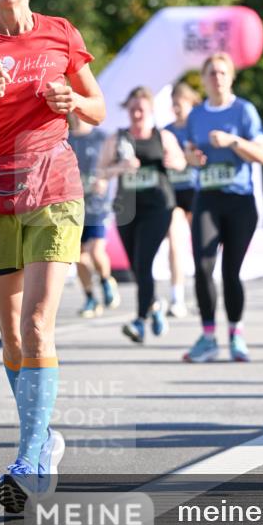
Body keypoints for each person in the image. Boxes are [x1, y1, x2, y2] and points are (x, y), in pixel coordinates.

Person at [0, 0, 105, 513]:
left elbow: (97, 106)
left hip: (53, 185)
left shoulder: (61, 33)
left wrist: (73, 105)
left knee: (36, 325)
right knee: (10, 335)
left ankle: (30, 458)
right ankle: (45, 440)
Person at [182, 52, 263, 362]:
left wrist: (234, 142)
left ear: (231, 77)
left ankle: (236, 336)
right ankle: (208, 337)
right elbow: (188, 156)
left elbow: (262, 155)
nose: (216, 78)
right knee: (203, 269)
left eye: (222, 72)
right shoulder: (195, 115)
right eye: (211, 73)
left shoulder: (244, 111)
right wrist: (193, 158)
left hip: (239, 201)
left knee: (231, 272)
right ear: (204, 79)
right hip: (207, 199)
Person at [99, 86, 186, 343]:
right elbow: (102, 171)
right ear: (127, 109)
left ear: (150, 110)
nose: (137, 113)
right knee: (137, 267)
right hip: (126, 208)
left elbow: (181, 162)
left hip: (158, 207)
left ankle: (139, 321)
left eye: (142, 109)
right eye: (133, 109)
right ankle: (154, 305)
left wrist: (174, 161)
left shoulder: (163, 137)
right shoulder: (117, 138)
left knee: (144, 261)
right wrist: (120, 167)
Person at [67, 113, 119, 316]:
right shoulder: (65, 138)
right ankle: (90, 298)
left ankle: (106, 281)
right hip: (72, 206)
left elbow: (120, 163)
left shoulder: (102, 137)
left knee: (96, 250)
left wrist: (105, 177)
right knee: (78, 256)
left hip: (97, 205)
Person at [164, 81, 200, 318]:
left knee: (200, 245)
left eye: (180, 104)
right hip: (174, 193)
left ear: (191, 104)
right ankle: (177, 297)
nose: (176, 109)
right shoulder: (167, 131)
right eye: (173, 105)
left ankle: (201, 293)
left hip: (197, 191)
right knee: (175, 244)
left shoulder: (198, 128)